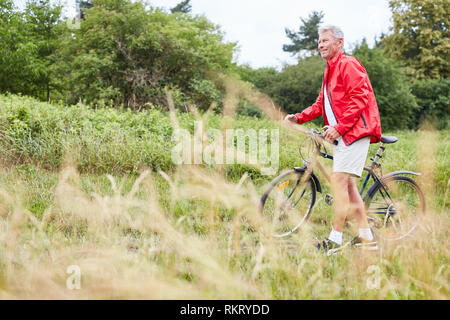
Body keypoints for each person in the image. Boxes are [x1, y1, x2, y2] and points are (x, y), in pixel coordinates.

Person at [284, 25, 382, 254]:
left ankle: (335, 241)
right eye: (319, 41)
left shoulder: (348, 64)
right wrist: (298, 118)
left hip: (355, 133)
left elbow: (359, 99)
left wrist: (339, 127)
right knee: (348, 188)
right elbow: (321, 105)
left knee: (338, 185)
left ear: (339, 43)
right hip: (344, 134)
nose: (320, 44)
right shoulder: (330, 70)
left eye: (326, 40)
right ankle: (367, 238)